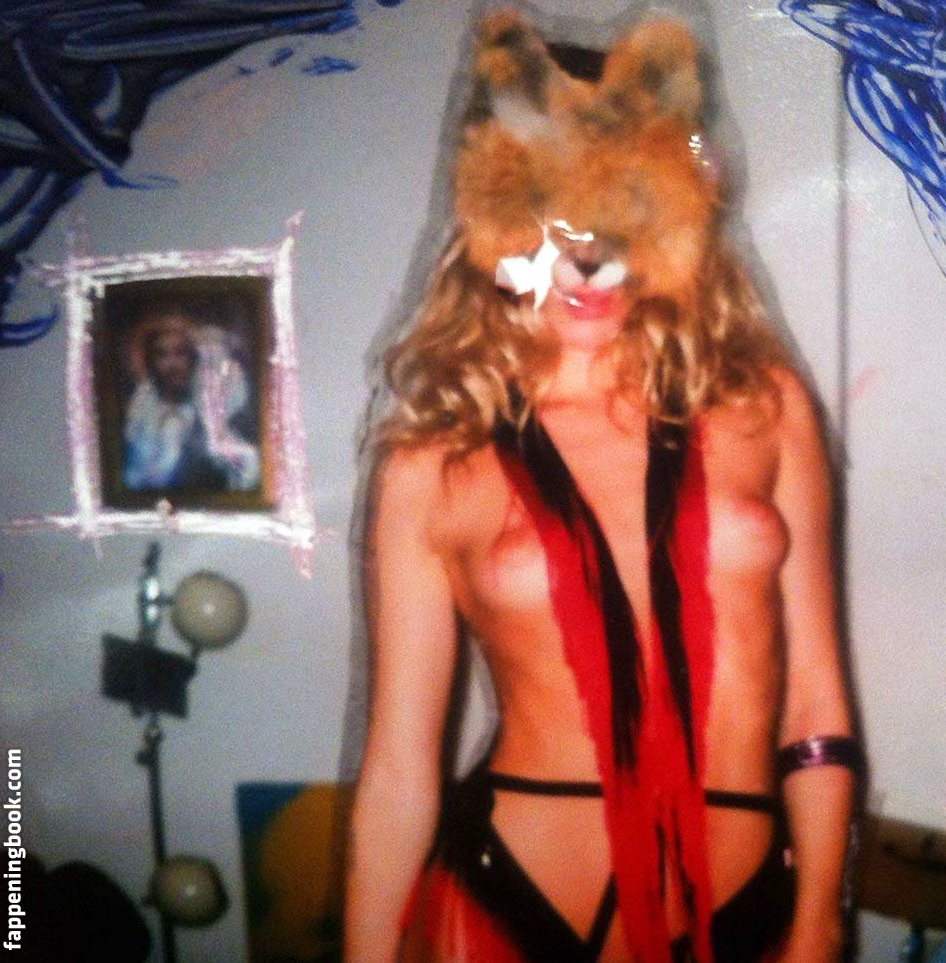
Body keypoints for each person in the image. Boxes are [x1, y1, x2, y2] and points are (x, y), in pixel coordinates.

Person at [346, 13, 860, 963]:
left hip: (745, 904)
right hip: (507, 902)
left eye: (623, 206)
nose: (586, 255)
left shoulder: (763, 405)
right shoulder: (433, 460)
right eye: (548, 211)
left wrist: (820, 921)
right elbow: (398, 766)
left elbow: (816, 694)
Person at [122, 304, 261, 493]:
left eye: (180, 353)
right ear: (150, 361)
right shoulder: (141, 415)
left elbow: (246, 470)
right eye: (162, 355)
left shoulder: (206, 413)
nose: (173, 364)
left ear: (192, 358)